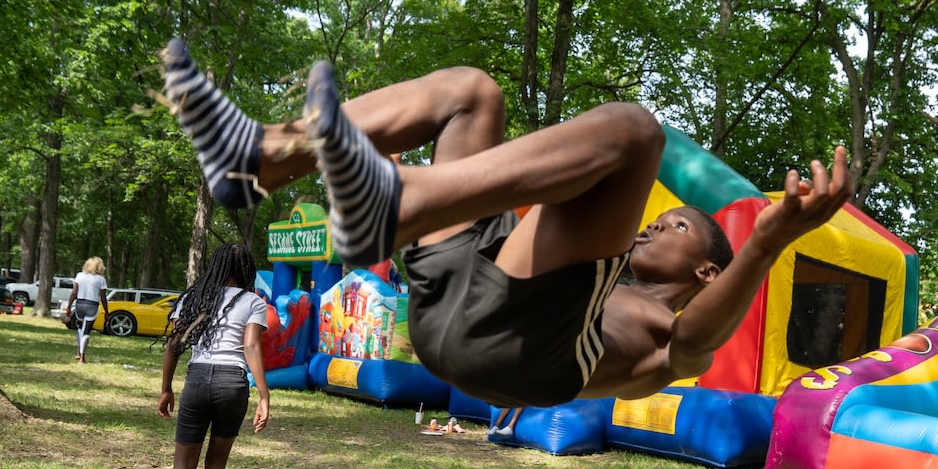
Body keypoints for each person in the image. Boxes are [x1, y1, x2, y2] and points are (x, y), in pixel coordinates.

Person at [161, 39, 850, 407]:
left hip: (519, 351)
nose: (649, 226)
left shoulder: (663, 335)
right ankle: (265, 156)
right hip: (461, 298)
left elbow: (699, 342)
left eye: (673, 228)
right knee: (472, 94)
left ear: (708, 270)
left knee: (637, 133)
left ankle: (404, 201)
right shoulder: (599, 268)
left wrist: (765, 240)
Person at [135, 243, 270, 469]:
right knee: (216, 464)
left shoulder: (193, 297)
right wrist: (264, 396)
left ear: (216, 266)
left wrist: (166, 389)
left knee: (182, 464)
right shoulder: (253, 302)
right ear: (247, 270)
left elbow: (174, 345)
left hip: (196, 380)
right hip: (232, 385)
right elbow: (250, 346)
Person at [69, 257, 110, 363]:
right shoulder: (101, 279)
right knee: (86, 331)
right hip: (92, 305)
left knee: (79, 329)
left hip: (80, 304)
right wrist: (106, 312)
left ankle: (78, 352)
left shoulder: (79, 275)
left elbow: (74, 293)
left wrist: (69, 306)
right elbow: (103, 298)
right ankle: (82, 357)